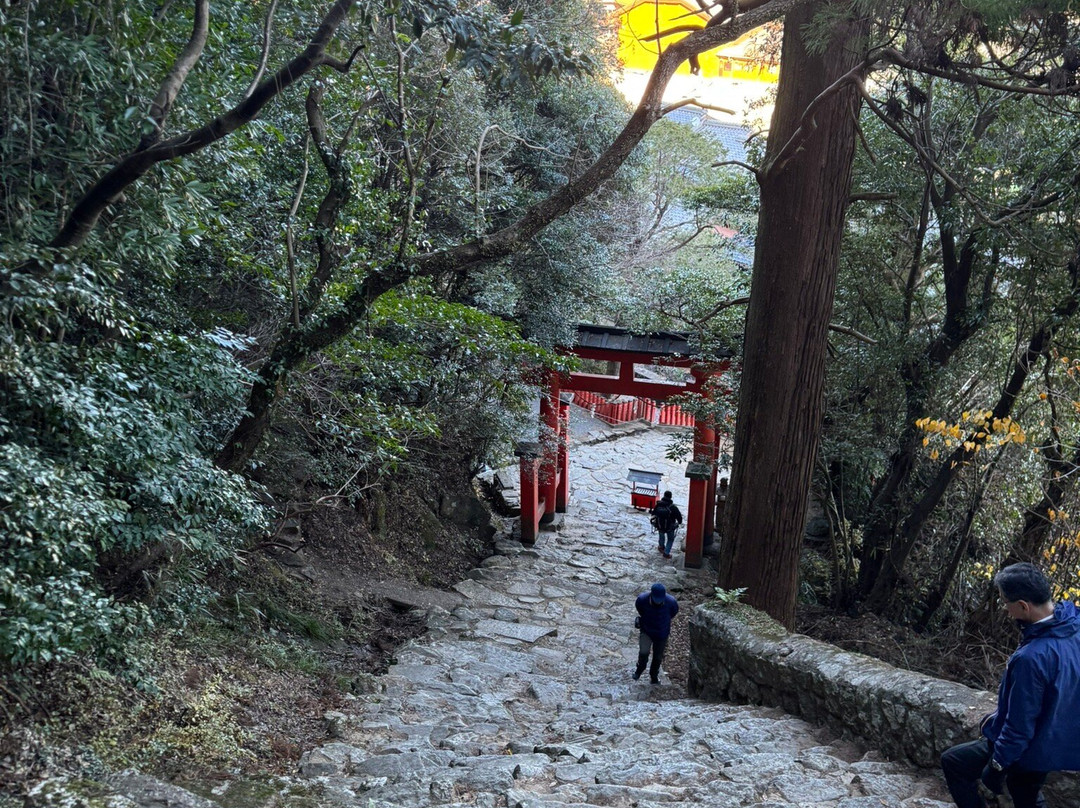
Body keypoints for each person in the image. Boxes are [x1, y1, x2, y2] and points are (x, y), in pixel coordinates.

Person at [940, 562, 1080, 808]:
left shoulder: (1032, 657)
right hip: (1058, 736)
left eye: (1006, 603)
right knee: (1025, 790)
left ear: (1023, 606)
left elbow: (1020, 727)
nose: (1005, 610)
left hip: (1034, 746)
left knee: (956, 762)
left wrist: (996, 766)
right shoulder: (1073, 625)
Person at [633, 582, 679, 684]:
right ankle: (640, 669)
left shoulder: (671, 602)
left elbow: (673, 612)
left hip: (662, 634)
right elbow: (640, 609)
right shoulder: (642, 600)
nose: (658, 602)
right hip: (646, 631)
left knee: (658, 657)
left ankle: (654, 676)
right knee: (643, 652)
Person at [649, 491, 683, 559]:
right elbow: (679, 517)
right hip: (670, 527)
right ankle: (666, 553)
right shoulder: (673, 507)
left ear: (664, 496)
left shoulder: (659, 504)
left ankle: (661, 547)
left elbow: (653, 513)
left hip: (660, 525)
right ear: (670, 497)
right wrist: (679, 522)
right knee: (670, 539)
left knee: (661, 536)